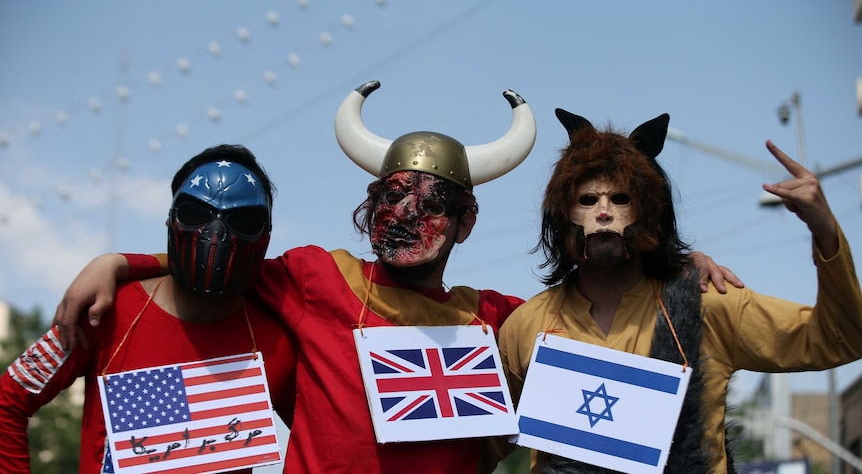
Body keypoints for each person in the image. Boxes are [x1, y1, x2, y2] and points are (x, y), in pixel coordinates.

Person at [52, 82, 737, 474]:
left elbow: (599, 303)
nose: (406, 214)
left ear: (466, 222)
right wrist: (121, 261)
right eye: (390, 196)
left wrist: (673, 267)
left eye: (432, 202)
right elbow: (219, 248)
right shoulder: (313, 276)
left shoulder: (501, 318)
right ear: (368, 206)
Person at [497, 109, 862, 473]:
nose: (604, 212)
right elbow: (477, 441)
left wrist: (826, 232)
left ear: (650, 210)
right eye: (587, 200)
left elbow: (842, 337)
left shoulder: (708, 305)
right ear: (562, 214)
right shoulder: (528, 326)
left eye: (621, 198)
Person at [0, 144, 297, 473]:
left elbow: (325, 442)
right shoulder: (105, 312)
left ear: (266, 235)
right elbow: (7, 403)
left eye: (242, 220)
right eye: (196, 214)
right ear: (171, 219)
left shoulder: (276, 344)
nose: (216, 235)